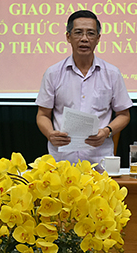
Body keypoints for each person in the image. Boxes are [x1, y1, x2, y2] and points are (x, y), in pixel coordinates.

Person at [35, 10, 132, 166]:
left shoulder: (112, 73)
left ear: (98, 39)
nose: (84, 39)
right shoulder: (53, 73)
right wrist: (50, 134)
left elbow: (124, 114)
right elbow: (42, 114)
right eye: (78, 33)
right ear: (68, 37)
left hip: (99, 159)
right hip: (62, 160)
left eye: (91, 33)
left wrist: (106, 131)